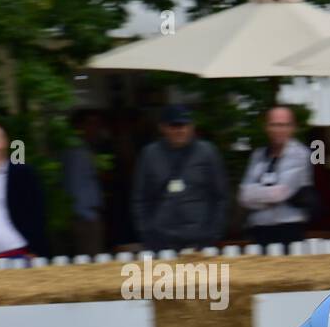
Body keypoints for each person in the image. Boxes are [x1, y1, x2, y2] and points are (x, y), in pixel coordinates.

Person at [131, 104, 229, 252]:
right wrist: (147, 232)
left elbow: (220, 196)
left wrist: (213, 233)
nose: (179, 130)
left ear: (192, 127)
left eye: (183, 125)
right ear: (163, 128)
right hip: (161, 239)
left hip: (200, 238)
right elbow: (140, 198)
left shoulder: (207, 152)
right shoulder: (149, 154)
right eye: (174, 126)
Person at [0, 123, 47, 262]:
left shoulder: (22, 174)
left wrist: (36, 250)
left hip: (19, 255)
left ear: (4, 143)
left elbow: (38, 214)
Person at [238, 106, 313, 247]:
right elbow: (243, 196)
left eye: (284, 125)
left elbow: (280, 193)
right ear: (266, 127)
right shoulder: (258, 155)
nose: (279, 130)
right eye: (274, 125)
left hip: (288, 228)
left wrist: (256, 194)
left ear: (293, 128)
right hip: (259, 228)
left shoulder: (300, 154)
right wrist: (268, 195)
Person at [61, 110, 105, 256]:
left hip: (84, 215)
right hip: (84, 218)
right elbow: (74, 185)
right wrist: (87, 215)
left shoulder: (84, 148)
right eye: (91, 123)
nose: (96, 128)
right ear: (79, 127)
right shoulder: (77, 151)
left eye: (98, 124)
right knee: (90, 264)